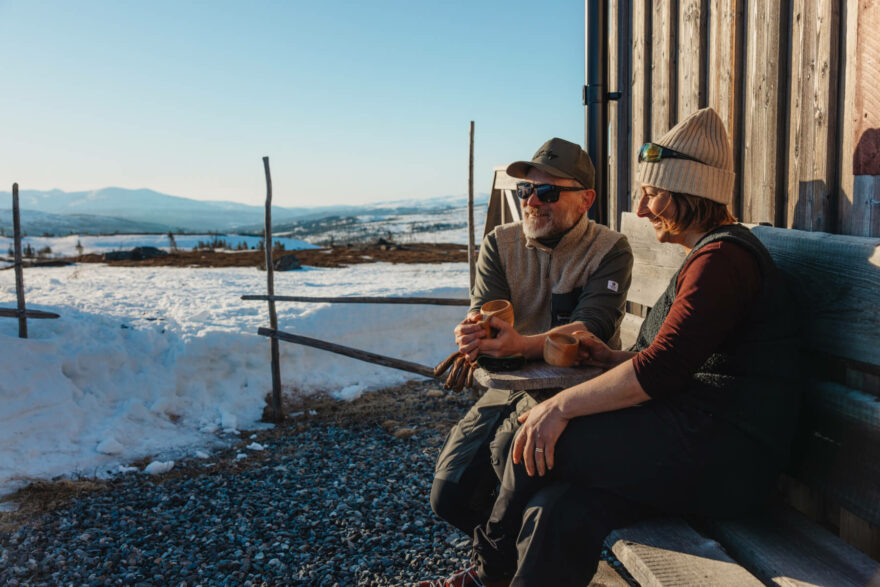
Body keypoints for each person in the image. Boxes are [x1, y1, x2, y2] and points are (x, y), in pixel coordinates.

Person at [424, 107, 800, 587]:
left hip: (730, 458)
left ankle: (487, 576)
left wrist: (559, 406)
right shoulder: (710, 256)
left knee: (530, 440)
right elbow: (678, 359)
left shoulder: (722, 261)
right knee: (559, 505)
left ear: (690, 192)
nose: (642, 210)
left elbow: (662, 370)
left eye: (652, 194)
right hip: (698, 438)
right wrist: (613, 358)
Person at [430, 138, 634, 538]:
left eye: (548, 191)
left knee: (514, 462)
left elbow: (589, 330)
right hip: (509, 386)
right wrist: (475, 331)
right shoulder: (500, 243)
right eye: (525, 189)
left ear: (586, 199)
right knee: (449, 494)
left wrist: (519, 345)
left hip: (577, 393)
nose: (532, 201)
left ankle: (500, 562)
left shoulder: (610, 250)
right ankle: (505, 556)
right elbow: (485, 313)